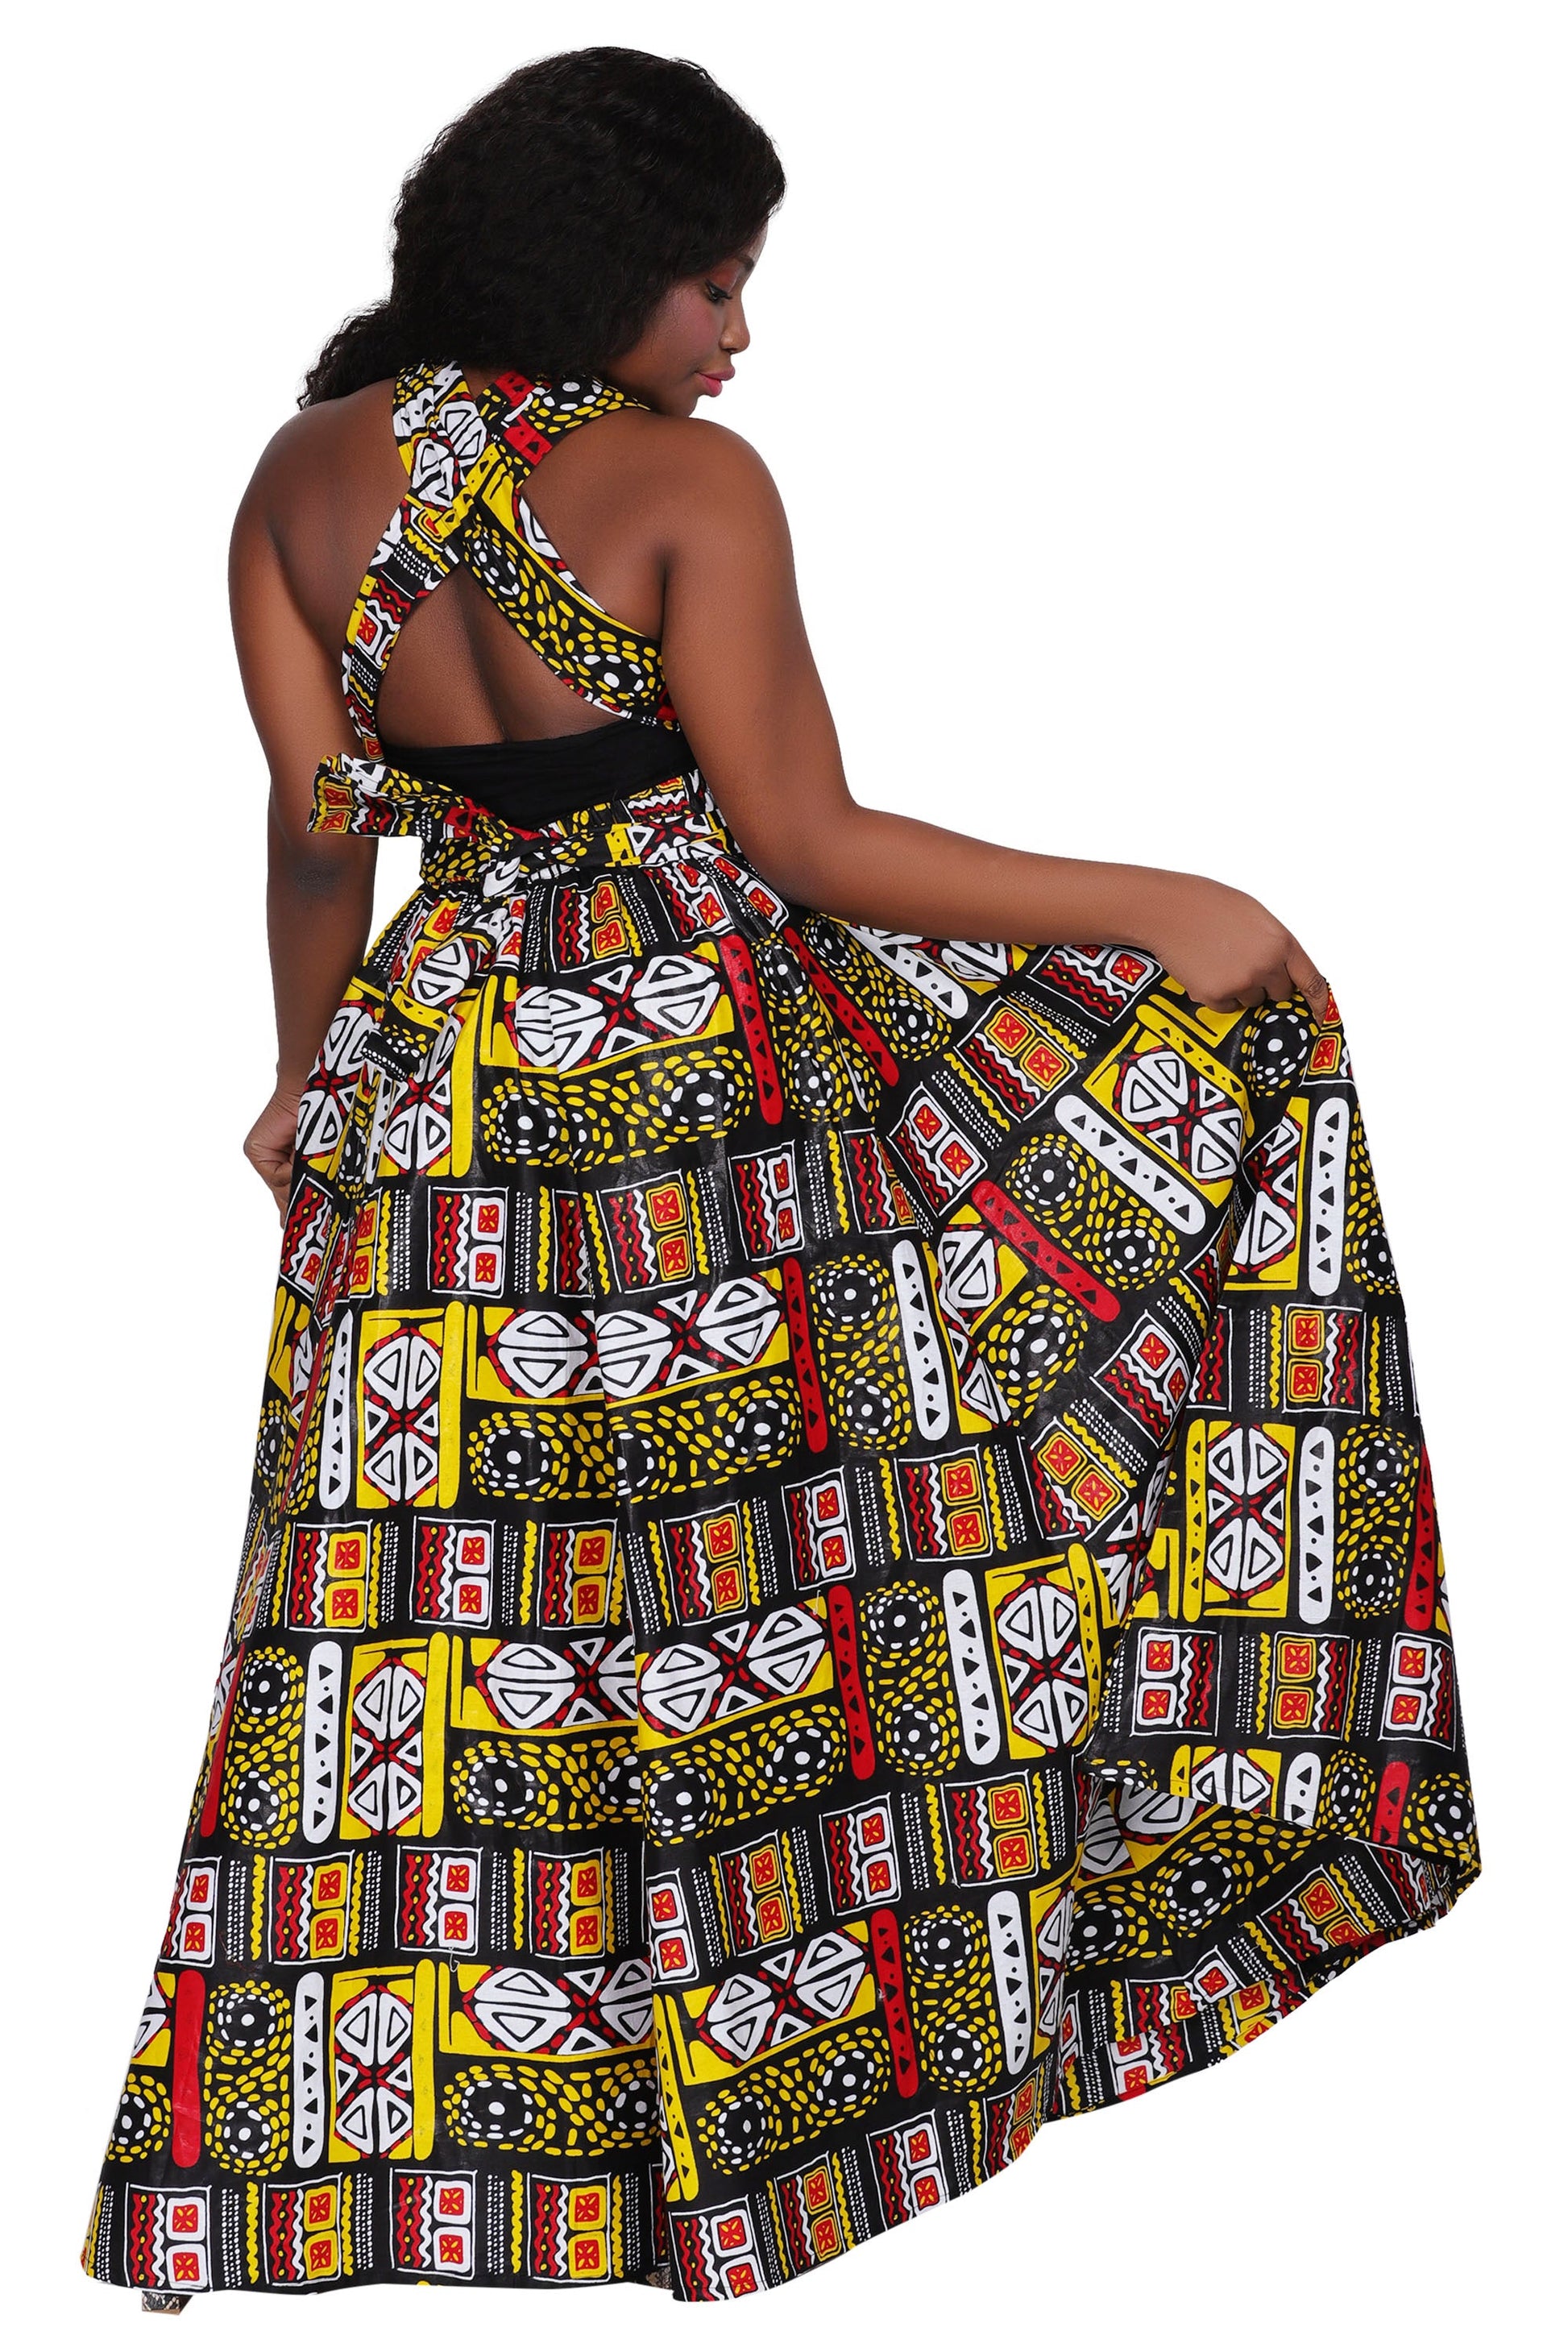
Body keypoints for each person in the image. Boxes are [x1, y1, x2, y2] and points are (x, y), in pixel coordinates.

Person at [84, 46, 1476, 2309]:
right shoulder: (682, 483)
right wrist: (1167, 906)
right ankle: (812, 2126)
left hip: (443, 1097)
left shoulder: (301, 473)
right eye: (716, 280)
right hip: (707, 1097)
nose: (740, 330)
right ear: (602, 269)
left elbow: (323, 824)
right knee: (814, 1598)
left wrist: (302, 1072)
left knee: (438, 1628)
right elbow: (806, 841)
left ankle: (310, 2174)